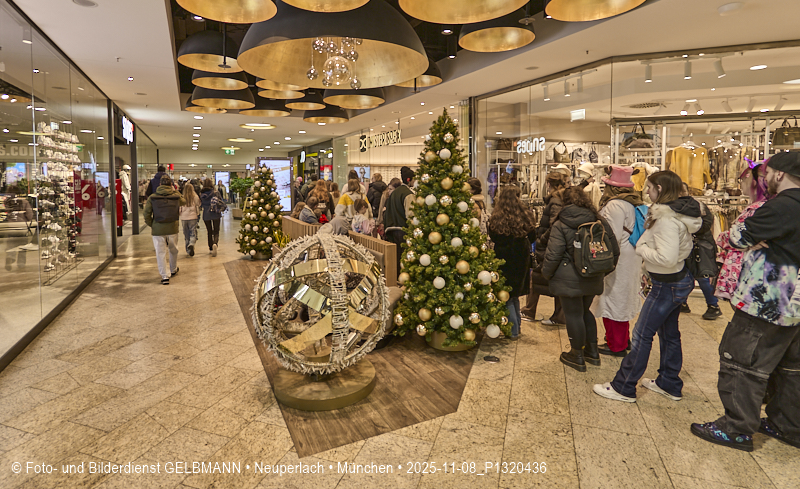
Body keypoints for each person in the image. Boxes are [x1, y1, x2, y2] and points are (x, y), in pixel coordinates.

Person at [691, 151, 800, 452]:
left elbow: (736, 236)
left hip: (766, 300)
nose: (764, 177)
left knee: (741, 359)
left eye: (767, 172)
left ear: (779, 174)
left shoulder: (780, 207)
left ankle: (736, 428)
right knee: (789, 367)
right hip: (793, 305)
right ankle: (788, 425)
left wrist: (746, 233)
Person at [593, 171, 701, 403]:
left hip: (667, 284)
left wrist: (642, 250)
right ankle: (669, 382)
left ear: (660, 189)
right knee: (669, 334)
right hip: (675, 281)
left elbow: (668, 258)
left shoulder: (666, 220)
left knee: (642, 334)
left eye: (650, 187)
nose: (646, 191)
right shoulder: (674, 215)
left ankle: (624, 386)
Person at [543, 187, 620, 371]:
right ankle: (592, 352)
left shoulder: (561, 224)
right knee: (585, 312)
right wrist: (601, 271)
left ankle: (576, 354)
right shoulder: (599, 220)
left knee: (573, 315)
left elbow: (553, 255)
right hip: (593, 275)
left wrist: (547, 274)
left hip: (568, 277)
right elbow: (614, 251)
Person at [592, 166, 645, 357]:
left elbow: (610, 235)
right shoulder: (633, 203)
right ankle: (622, 339)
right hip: (631, 254)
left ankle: (617, 344)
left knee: (615, 298)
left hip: (619, 257)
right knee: (623, 296)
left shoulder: (615, 205)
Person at [715, 159, 771, 301]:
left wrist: (726, 237)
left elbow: (732, 238)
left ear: (753, 182)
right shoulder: (763, 207)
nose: (741, 185)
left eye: (743, 180)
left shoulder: (756, 209)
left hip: (744, 274)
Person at [488, 186, 537, 340]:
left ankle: (513, 330)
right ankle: (517, 327)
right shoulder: (525, 214)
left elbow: (494, 237)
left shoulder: (496, 216)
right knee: (514, 295)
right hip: (521, 257)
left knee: (506, 295)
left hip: (503, 257)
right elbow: (533, 236)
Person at [521, 171, 569, 325]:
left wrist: (542, 238)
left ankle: (529, 310)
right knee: (555, 278)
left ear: (548, 184)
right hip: (556, 245)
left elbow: (555, 223)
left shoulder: (555, 200)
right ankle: (558, 315)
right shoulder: (563, 198)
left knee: (536, 276)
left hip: (549, 246)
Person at [678, 182, 721, 320]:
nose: (681, 194)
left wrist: (690, 229)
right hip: (691, 246)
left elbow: (707, 223)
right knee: (686, 275)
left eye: (682, 191)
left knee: (702, 277)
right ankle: (682, 303)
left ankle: (713, 306)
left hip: (700, 247)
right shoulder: (679, 206)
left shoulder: (698, 205)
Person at [144, 174, 185, 285]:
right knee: (173, 249)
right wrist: (175, 191)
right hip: (172, 227)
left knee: (160, 252)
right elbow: (184, 201)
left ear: (160, 184)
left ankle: (164, 276)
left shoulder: (152, 197)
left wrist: (152, 224)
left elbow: (146, 213)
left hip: (158, 228)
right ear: (171, 185)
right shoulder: (175, 196)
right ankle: (173, 268)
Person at [384, 167, 416, 277]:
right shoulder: (408, 194)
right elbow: (410, 214)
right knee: (403, 257)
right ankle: (402, 278)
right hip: (403, 230)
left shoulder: (393, 193)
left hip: (391, 230)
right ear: (409, 179)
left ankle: (395, 278)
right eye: (413, 179)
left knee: (395, 257)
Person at [199, 179, 223, 257]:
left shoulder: (201, 194)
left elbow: (200, 204)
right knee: (216, 230)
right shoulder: (216, 192)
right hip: (215, 213)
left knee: (209, 231)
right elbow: (221, 201)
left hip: (206, 214)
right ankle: (215, 243)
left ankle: (210, 248)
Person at [179, 183, 200, 257]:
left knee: (186, 234)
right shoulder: (195, 197)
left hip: (184, 218)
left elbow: (179, 208)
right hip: (193, 217)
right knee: (193, 232)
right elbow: (198, 205)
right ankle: (191, 244)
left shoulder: (182, 197)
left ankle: (188, 250)